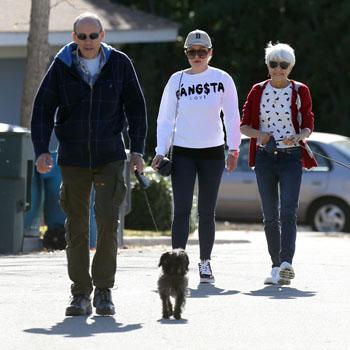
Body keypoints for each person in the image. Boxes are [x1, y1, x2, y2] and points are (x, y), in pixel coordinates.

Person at [31, 12, 147, 316]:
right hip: (73, 157)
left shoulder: (120, 64)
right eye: (81, 37)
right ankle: (80, 293)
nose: (88, 42)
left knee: (108, 221)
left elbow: (136, 107)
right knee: (77, 226)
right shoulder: (62, 66)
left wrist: (137, 150)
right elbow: (43, 108)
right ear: (74, 38)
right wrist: (42, 150)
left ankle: (104, 290)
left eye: (93, 36)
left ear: (102, 35)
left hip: (110, 154)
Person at [151, 29, 241, 284]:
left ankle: (205, 263)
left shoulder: (222, 78)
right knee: (181, 210)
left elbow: (232, 116)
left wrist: (233, 148)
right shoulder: (176, 80)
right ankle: (177, 263)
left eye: (202, 52)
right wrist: (160, 151)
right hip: (183, 152)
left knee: (206, 211)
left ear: (210, 53)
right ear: (187, 53)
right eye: (192, 52)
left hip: (212, 152)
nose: (197, 56)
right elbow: (165, 118)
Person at [240, 42, 317, 285]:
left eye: (283, 65)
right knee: (270, 215)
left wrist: (299, 136)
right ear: (268, 66)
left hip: (291, 156)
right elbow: (243, 126)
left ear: (290, 67)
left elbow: (308, 124)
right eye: (273, 64)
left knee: (288, 212)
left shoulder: (300, 90)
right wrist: (259, 136)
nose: (278, 69)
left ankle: (286, 264)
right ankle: (275, 266)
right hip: (265, 157)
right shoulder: (257, 90)